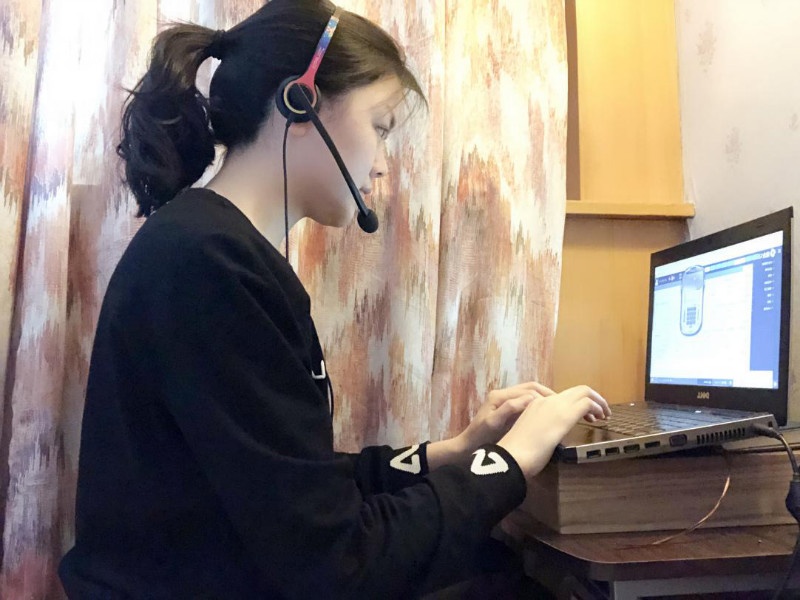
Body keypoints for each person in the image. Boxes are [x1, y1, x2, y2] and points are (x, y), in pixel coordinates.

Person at [58, 0, 610, 598]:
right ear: (300, 102)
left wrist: (451, 453)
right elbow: (338, 562)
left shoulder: (213, 249)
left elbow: (290, 482)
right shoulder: (208, 266)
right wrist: (512, 461)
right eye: (380, 127)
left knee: (498, 569)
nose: (383, 166)